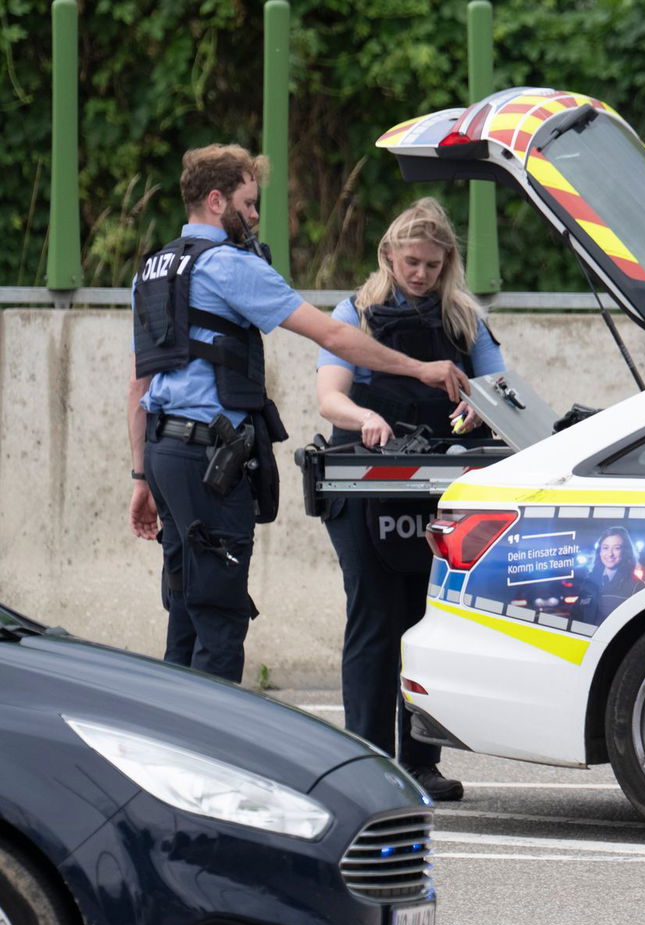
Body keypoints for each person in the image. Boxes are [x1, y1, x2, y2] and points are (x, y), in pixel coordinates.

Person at [127, 144, 467, 687]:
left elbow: (139, 383)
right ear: (217, 202)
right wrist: (419, 369)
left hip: (167, 458)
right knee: (220, 619)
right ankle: (212, 765)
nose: (257, 215)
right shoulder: (228, 266)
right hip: (208, 461)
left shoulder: (155, 270)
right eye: (249, 202)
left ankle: (174, 749)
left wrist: (142, 474)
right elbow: (333, 335)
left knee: (186, 617)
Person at [314, 198, 505, 803]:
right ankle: (367, 763)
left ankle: (421, 762)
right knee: (374, 620)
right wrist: (364, 414)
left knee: (430, 622)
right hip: (365, 486)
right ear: (388, 255)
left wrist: (482, 402)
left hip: (439, 489)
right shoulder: (358, 313)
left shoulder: (465, 319)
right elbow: (328, 397)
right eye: (409, 262)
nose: (419, 274)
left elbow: (501, 388)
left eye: (431, 263)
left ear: (447, 262)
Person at [571, 527, 645, 625]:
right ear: (600, 551)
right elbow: (575, 616)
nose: (610, 554)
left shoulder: (636, 587)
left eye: (617, 548)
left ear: (626, 551)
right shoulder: (589, 583)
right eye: (606, 548)